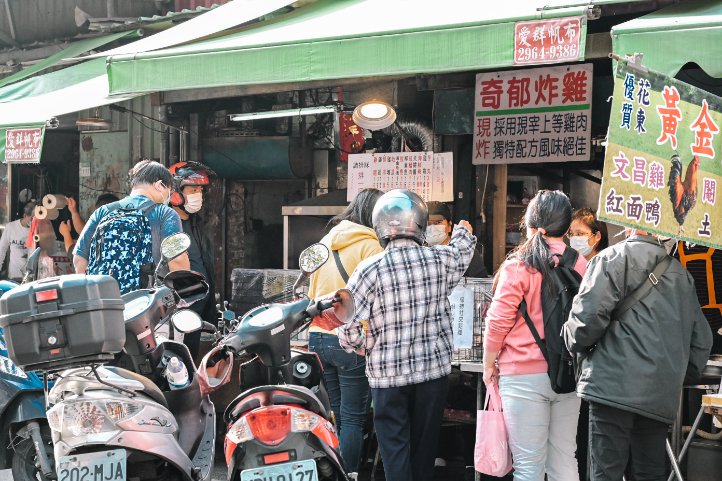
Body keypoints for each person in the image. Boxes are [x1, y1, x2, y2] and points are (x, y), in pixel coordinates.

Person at [338, 189, 476, 481]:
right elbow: (463, 249)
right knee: (424, 450)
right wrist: (464, 229)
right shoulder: (440, 260)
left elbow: (347, 328)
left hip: (387, 378)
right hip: (432, 375)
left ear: (381, 227)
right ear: (421, 224)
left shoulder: (369, 269)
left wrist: (363, 346)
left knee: (394, 451)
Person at [563, 229, 712, 481]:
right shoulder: (682, 277)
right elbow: (701, 343)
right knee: (649, 472)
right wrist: (670, 376)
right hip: (658, 393)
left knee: (606, 472)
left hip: (611, 387)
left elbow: (585, 323)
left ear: (629, 224)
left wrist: (570, 339)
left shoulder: (609, 259)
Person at [483, 190, 586, 481]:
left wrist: (489, 364)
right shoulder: (581, 264)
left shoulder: (518, 265)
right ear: (567, 228)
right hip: (568, 373)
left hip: (522, 376)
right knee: (565, 459)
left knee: (528, 466)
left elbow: (498, 321)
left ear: (528, 224)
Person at [307, 188, 384, 473]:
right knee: (352, 417)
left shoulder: (326, 241)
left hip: (318, 337)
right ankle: (348, 474)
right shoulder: (371, 247)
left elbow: (312, 293)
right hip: (350, 341)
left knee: (338, 415)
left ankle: (336, 471)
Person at [73, 159, 190, 281]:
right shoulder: (165, 213)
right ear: (160, 185)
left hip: (105, 297)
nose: (168, 198)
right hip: (148, 297)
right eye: (169, 192)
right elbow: (177, 259)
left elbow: (79, 259)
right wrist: (185, 291)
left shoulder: (103, 211)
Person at [169, 161, 216, 358]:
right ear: (175, 191)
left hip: (198, 314)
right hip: (178, 316)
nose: (198, 194)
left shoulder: (196, 224)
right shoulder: (168, 225)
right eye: (193, 189)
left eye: (200, 190)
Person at [426, 201, 488, 277]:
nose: (432, 228)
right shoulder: (419, 253)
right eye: (428, 224)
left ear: (449, 225)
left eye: (437, 222)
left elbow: (480, 286)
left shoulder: (467, 251)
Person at [0, 201, 35, 281]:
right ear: (25, 215)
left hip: (32, 277)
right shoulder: (11, 227)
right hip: (14, 276)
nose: (33, 221)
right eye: (31, 218)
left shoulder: (38, 228)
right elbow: (1, 249)